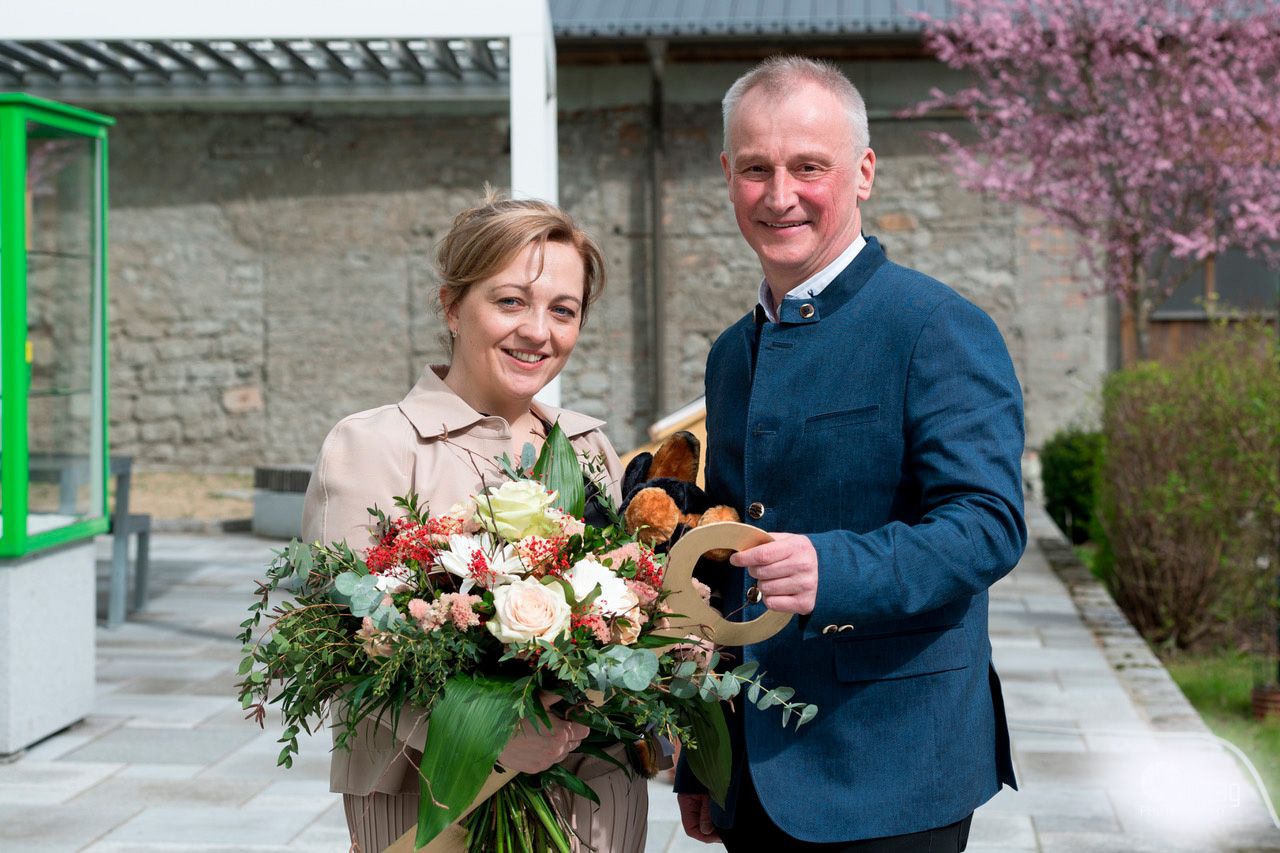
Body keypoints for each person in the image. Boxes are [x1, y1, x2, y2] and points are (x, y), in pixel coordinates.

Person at [673, 56, 1025, 851]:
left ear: (863, 172)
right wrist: (703, 753)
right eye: (756, 169)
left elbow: (988, 525)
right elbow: (720, 559)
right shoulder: (732, 354)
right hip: (752, 774)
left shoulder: (937, 326)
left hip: (892, 771)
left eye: (809, 167)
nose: (780, 195)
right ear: (728, 175)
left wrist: (833, 569)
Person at [302, 194, 648, 852]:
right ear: (452, 306)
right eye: (511, 301)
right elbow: (336, 650)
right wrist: (482, 734)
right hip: (430, 801)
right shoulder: (374, 446)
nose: (538, 332)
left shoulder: (588, 447)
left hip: (595, 799)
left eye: (563, 310)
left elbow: (628, 612)